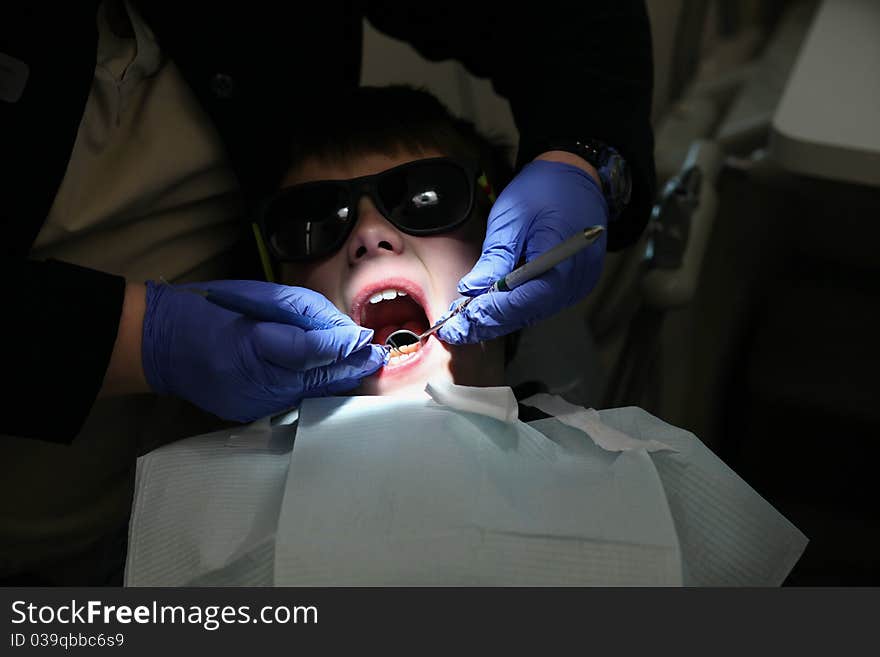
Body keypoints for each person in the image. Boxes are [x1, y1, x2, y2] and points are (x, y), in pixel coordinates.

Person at [1, 2, 654, 582]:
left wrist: (581, 160)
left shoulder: (644, 484)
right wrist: (145, 335)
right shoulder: (197, 523)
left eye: (425, 200)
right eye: (315, 222)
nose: (370, 233)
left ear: (498, 234)